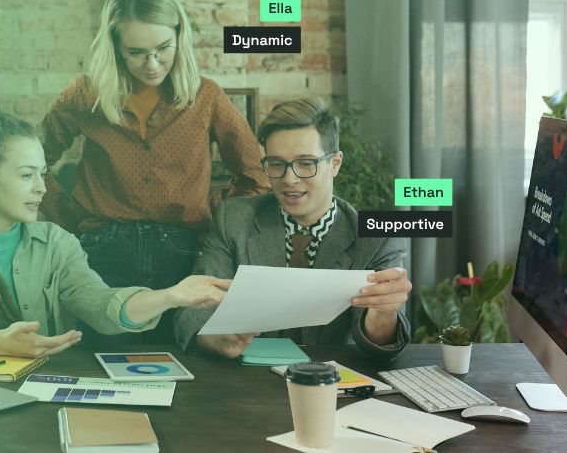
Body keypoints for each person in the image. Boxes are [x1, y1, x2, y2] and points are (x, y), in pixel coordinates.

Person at [0, 102, 230, 359]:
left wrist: (170, 295)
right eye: (25, 175)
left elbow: (102, 305)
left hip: (36, 399)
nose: (42, 187)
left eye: (43, 173)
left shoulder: (56, 243)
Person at [38, 0, 268, 347]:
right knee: (100, 367)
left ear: (180, 35)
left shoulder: (206, 96)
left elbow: (257, 176)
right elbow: (33, 163)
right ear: (114, 46)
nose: (152, 63)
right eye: (136, 52)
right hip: (99, 253)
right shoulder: (85, 95)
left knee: (184, 367)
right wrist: (69, 222)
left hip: (181, 253)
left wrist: (208, 213)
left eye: (163, 48)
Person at [174, 98, 413, 360]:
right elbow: (192, 311)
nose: (289, 179)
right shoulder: (234, 218)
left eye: (306, 163)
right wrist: (213, 338)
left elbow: (381, 348)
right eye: (276, 164)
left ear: (334, 164)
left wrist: (384, 311)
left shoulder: (377, 238)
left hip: (332, 384)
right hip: (248, 382)